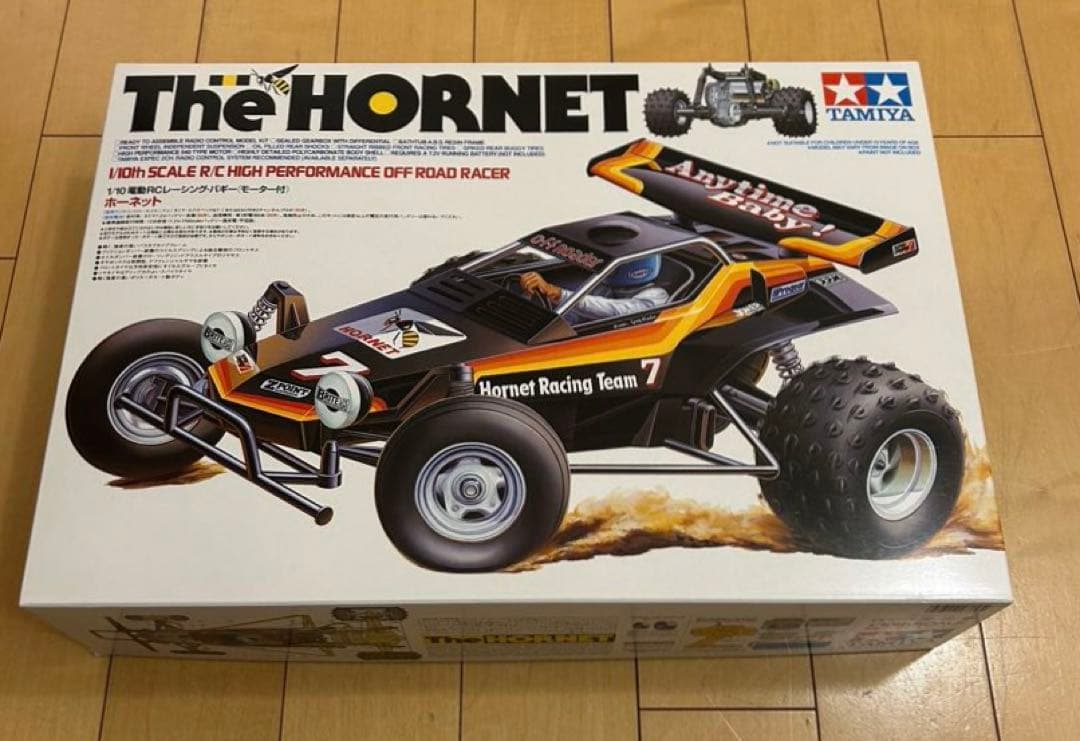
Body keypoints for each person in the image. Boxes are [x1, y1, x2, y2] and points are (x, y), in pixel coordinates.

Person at [520, 254, 670, 324]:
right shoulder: (605, 289)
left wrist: (558, 293)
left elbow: (614, 310)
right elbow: (572, 317)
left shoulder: (656, 297)